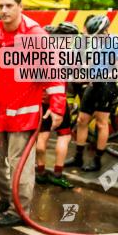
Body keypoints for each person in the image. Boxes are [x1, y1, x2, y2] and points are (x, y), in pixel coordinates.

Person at [0, 0, 66, 227]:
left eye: (9, 6)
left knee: (19, 165)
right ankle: (7, 199)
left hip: (25, 113)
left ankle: (20, 210)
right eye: (1, 6)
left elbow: (53, 72)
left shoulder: (35, 36)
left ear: (20, 7)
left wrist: (57, 107)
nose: (4, 10)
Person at [64, 15, 118, 172]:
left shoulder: (115, 42)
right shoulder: (93, 41)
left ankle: (97, 160)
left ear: (105, 30)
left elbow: (117, 66)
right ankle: (78, 157)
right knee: (82, 120)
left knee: (102, 123)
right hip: (91, 84)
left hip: (106, 85)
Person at [36, 21, 80, 189]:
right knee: (64, 136)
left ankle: (40, 172)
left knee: (42, 138)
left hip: (40, 101)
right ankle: (57, 175)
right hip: (59, 101)